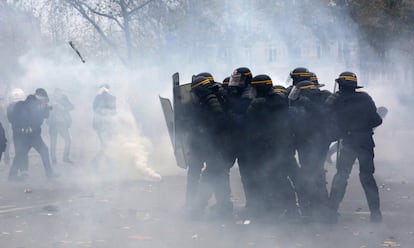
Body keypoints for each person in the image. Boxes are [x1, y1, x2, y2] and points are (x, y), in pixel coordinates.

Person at [326, 72, 383, 223]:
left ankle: (331, 212)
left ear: (340, 85)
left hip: (348, 141)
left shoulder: (335, 100)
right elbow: (377, 120)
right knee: (367, 177)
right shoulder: (365, 98)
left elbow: (326, 118)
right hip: (365, 141)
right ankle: (376, 214)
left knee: (341, 175)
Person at [245, 75, 298, 219]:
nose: (252, 91)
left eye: (254, 88)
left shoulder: (257, 104)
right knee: (281, 178)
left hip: (265, 149)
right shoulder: (282, 100)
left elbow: (249, 126)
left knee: (270, 178)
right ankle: (290, 209)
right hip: (281, 146)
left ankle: (276, 209)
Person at [187, 75, 233, 218]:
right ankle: (222, 206)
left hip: (215, 146)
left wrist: (207, 130)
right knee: (218, 176)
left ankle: (200, 208)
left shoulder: (210, 99)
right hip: (212, 145)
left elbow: (220, 118)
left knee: (213, 176)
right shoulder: (207, 98)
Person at [8, 88, 57, 180]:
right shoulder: (26, 104)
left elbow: (45, 116)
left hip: (34, 135)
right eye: (43, 100)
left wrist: (44, 108)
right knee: (20, 154)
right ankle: (12, 176)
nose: (44, 102)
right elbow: (18, 118)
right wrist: (25, 126)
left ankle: (50, 174)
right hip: (25, 136)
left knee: (44, 151)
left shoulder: (39, 105)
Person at [47, 88, 74, 164]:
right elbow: (45, 109)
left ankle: (65, 157)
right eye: (57, 93)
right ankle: (54, 159)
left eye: (60, 94)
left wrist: (64, 108)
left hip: (63, 124)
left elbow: (72, 107)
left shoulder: (64, 98)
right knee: (53, 142)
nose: (59, 95)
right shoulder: (50, 100)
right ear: (54, 94)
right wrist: (52, 106)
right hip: (53, 124)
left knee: (68, 140)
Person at [92, 84, 116, 166]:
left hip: (106, 125)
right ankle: (97, 162)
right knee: (105, 144)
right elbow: (95, 109)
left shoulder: (99, 98)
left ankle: (106, 161)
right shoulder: (99, 98)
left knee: (106, 144)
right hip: (102, 125)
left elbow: (114, 111)